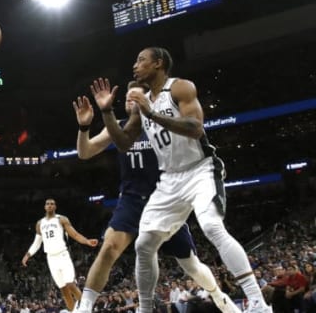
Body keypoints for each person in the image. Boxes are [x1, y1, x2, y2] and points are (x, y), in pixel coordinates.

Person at [90, 47, 272, 313]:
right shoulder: (142, 104)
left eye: (141, 60)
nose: (135, 66)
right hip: (171, 179)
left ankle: (257, 302)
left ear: (158, 64)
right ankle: (146, 309)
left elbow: (195, 127)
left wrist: (152, 114)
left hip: (200, 169)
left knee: (211, 225)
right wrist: (106, 112)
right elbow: (125, 143)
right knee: (144, 244)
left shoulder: (180, 88)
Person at [72, 81, 240, 313]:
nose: (131, 101)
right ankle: (85, 307)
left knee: (190, 264)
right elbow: (85, 152)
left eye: (136, 97)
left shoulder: (165, 125)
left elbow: (195, 149)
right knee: (109, 247)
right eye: (128, 98)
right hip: (131, 200)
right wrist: (84, 127)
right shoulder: (118, 127)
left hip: (165, 201)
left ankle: (218, 295)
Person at [21, 198, 99, 311]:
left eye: (52, 204)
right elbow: (37, 243)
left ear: (55, 207)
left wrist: (86, 241)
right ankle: (73, 311)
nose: (49, 205)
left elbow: (75, 235)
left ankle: (87, 310)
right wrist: (27, 255)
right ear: (44, 207)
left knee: (71, 284)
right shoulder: (40, 223)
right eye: (47, 204)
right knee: (63, 290)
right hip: (51, 259)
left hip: (63, 255)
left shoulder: (61, 219)